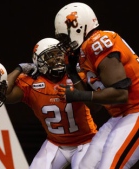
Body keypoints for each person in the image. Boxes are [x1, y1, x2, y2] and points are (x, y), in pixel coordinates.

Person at [54, 2, 139, 169]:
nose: (64, 43)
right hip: (120, 115)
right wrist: (72, 73)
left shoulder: (97, 42)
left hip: (136, 110)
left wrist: (76, 95)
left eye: (65, 37)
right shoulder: (85, 52)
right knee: (84, 166)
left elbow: (120, 94)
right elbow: (95, 106)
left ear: (79, 27)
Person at [6, 37, 100, 169]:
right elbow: (5, 95)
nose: (57, 59)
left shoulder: (77, 76)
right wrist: (19, 69)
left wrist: (77, 85)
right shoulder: (31, 82)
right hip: (56, 143)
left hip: (86, 141)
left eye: (59, 54)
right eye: (50, 55)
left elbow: (96, 106)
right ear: (38, 61)